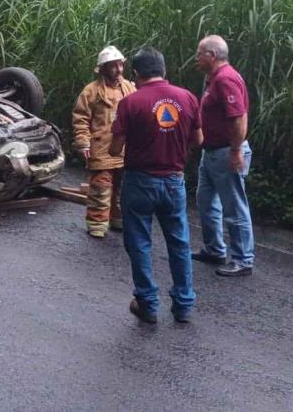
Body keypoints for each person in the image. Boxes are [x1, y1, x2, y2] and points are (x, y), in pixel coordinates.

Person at [109, 47, 203, 323]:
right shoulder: (187, 98)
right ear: (164, 70)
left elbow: (115, 149)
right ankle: (184, 305)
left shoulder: (131, 102)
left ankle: (147, 303)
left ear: (136, 73)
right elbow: (198, 140)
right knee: (179, 242)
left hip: (140, 181)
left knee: (139, 241)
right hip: (174, 180)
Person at [192, 35, 255, 276]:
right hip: (212, 152)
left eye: (199, 54)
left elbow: (239, 118)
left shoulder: (226, 79)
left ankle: (243, 259)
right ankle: (214, 249)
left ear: (212, 55)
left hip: (226, 152)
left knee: (234, 206)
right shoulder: (213, 78)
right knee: (206, 201)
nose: (196, 58)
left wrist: (236, 151)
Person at [72, 46, 136, 238]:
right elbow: (81, 118)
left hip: (125, 149)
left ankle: (117, 219)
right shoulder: (91, 92)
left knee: (121, 189)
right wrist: (83, 142)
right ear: (103, 68)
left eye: (120, 65)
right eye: (113, 66)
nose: (118, 70)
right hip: (101, 148)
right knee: (100, 188)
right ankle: (97, 224)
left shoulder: (129, 88)